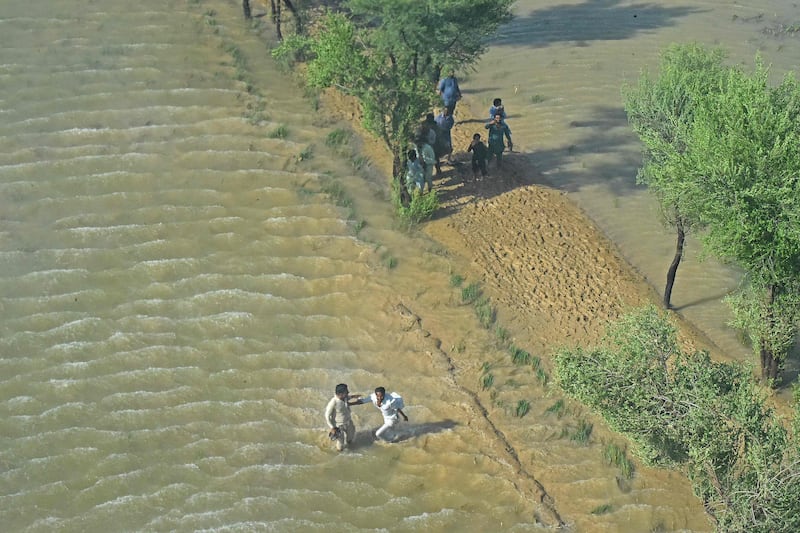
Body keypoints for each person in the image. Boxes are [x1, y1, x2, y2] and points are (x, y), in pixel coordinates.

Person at [324, 383, 365, 452]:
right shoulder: (333, 402)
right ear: (340, 394)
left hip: (348, 422)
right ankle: (339, 455)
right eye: (346, 392)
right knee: (340, 444)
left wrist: (355, 397)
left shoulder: (344, 397)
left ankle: (351, 448)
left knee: (351, 438)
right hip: (338, 426)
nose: (348, 392)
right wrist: (332, 427)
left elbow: (347, 400)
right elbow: (327, 415)